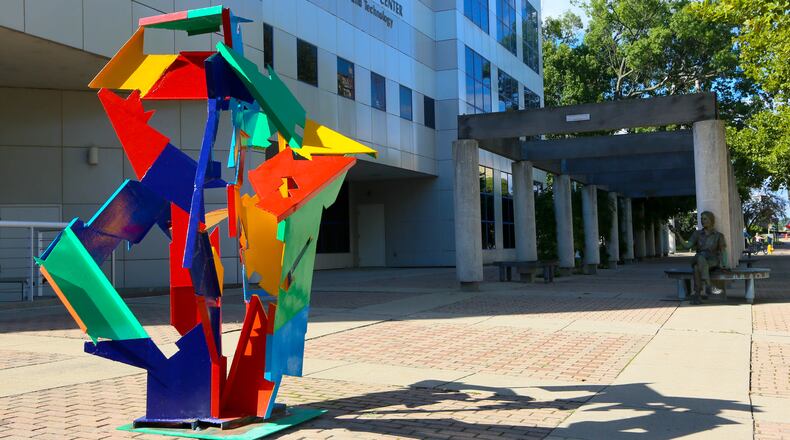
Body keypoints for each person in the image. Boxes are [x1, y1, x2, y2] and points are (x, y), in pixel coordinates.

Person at [669, 211, 727, 304]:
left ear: (711, 220)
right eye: (701, 219)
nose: (702, 221)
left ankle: (697, 295)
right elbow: (687, 246)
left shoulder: (719, 236)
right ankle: (709, 286)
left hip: (712, 260)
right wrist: (677, 234)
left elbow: (723, 251)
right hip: (699, 257)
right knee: (700, 257)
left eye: (705, 219)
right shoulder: (697, 234)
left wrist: (725, 265)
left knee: (697, 268)